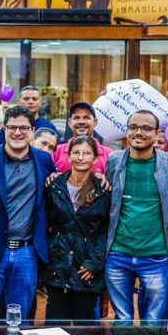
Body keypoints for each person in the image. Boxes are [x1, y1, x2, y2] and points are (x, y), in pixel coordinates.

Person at [0, 106, 56, 321]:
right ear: (4, 129)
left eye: (23, 128)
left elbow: (60, 188)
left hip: (27, 253)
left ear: (32, 131)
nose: (17, 132)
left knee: (19, 318)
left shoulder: (44, 160)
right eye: (12, 127)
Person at [104, 110, 168, 322]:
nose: (139, 132)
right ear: (126, 131)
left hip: (156, 255)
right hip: (118, 254)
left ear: (157, 133)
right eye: (133, 127)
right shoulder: (114, 161)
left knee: (154, 321)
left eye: (146, 128)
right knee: (122, 319)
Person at [44, 135, 110, 320]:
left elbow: (106, 229)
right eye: (76, 153)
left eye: (86, 153)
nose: (80, 157)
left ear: (95, 158)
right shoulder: (54, 186)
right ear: (68, 156)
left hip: (86, 267)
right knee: (55, 324)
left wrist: (94, 263)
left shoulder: (103, 190)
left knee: (84, 326)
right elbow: (46, 223)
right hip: (58, 265)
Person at [53, 102, 112, 174]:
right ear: (70, 123)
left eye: (86, 117)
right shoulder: (56, 152)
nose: (81, 122)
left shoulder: (109, 154)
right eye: (76, 118)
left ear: (95, 122)